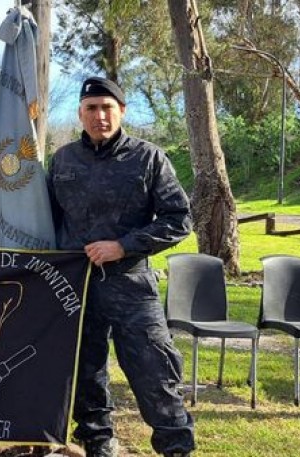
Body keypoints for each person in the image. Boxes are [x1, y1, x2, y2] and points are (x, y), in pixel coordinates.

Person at [46, 77, 195, 457]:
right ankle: (97, 438)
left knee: (153, 367)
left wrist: (123, 246)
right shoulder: (62, 160)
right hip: (75, 285)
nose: (100, 116)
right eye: (91, 108)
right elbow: (44, 220)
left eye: (107, 107)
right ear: (80, 113)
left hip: (130, 282)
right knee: (84, 366)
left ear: (122, 111)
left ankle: (175, 445)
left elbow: (179, 219)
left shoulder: (148, 158)